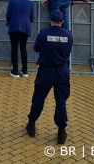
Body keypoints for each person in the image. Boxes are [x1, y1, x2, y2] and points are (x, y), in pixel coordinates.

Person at [26, 10, 73, 144]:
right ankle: (61, 130)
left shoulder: (43, 34)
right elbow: (68, 50)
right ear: (62, 21)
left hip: (46, 70)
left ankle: (32, 123)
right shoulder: (68, 35)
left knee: (39, 98)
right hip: (62, 71)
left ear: (49, 20)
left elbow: (36, 48)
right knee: (61, 101)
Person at [6, 0, 34, 78]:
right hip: (25, 28)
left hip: (14, 27)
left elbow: (8, 15)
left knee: (14, 49)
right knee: (23, 48)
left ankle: (15, 71)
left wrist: (9, 22)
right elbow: (32, 18)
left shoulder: (12, 1)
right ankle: (25, 71)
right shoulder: (30, 3)